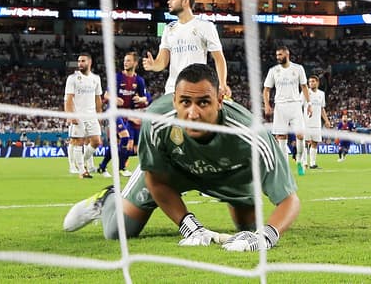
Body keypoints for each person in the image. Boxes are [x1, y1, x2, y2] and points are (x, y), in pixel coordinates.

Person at [61, 63, 299, 253]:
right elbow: (155, 179)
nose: (192, 113)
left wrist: (266, 237)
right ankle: (109, 198)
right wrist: (190, 226)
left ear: (220, 101)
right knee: (117, 231)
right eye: (185, 102)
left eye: (204, 102)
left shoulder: (251, 133)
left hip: (230, 178)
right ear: (174, 100)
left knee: (250, 231)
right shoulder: (156, 119)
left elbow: (289, 200)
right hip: (172, 173)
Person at [142, 0, 230, 100]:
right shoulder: (169, 29)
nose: (169, 1)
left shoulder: (205, 26)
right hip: (173, 90)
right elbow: (162, 62)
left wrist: (222, 83)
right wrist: (153, 65)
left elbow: (219, 58)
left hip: (197, 90)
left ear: (185, 2)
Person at [99, 50, 150, 177]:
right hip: (114, 111)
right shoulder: (117, 77)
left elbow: (145, 98)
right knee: (125, 137)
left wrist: (140, 99)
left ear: (135, 63)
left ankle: (103, 166)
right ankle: (121, 167)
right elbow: (106, 94)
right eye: (124, 61)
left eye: (128, 60)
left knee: (116, 143)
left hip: (127, 114)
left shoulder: (139, 80)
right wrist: (114, 99)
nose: (125, 63)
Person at [263, 46, 310, 175]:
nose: (278, 57)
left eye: (280, 55)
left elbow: (304, 87)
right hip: (280, 106)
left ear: (287, 54)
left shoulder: (298, 69)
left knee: (300, 135)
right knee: (281, 137)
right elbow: (266, 89)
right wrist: (266, 105)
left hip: (295, 105)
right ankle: (285, 168)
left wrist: (309, 103)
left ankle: (299, 159)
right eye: (277, 55)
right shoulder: (273, 71)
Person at [65, 53, 105, 179]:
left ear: (90, 62)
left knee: (96, 141)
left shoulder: (96, 78)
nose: (80, 64)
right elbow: (69, 98)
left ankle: (81, 161)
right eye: (79, 61)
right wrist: (70, 115)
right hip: (79, 115)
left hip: (92, 115)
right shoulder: (72, 78)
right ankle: (82, 171)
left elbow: (98, 98)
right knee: (78, 142)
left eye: (82, 61)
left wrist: (99, 116)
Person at [302, 75, 330, 171]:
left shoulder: (321, 94)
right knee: (305, 143)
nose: (311, 83)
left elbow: (322, 109)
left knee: (315, 143)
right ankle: (304, 162)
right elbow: (299, 105)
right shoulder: (305, 93)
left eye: (313, 81)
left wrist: (326, 120)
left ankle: (313, 164)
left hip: (317, 123)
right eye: (310, 82)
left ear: (317, 82)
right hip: (306, 122)